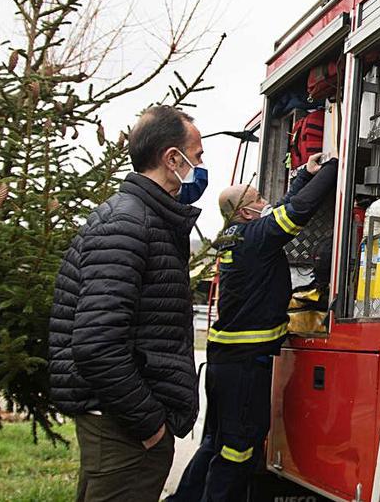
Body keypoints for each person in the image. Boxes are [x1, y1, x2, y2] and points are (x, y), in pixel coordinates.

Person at [48, 105, 207, 502]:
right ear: (173, 158)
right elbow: (97, 345)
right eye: (197, 156)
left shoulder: (144, 219)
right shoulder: (128, 224)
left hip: (126, 427)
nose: (201, 167)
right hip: (125, 431)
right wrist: (150, 426)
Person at [167, 152, 337, 502]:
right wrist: (337, 168)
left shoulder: (236, 237)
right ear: (245, 212)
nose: (265, 202)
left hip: (224, 362)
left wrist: (305, 172)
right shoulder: (255, 238)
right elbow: (297, 210)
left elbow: (281, 207)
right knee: (238, 450)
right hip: (245, 365)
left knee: (215, 443)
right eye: (258, 198)